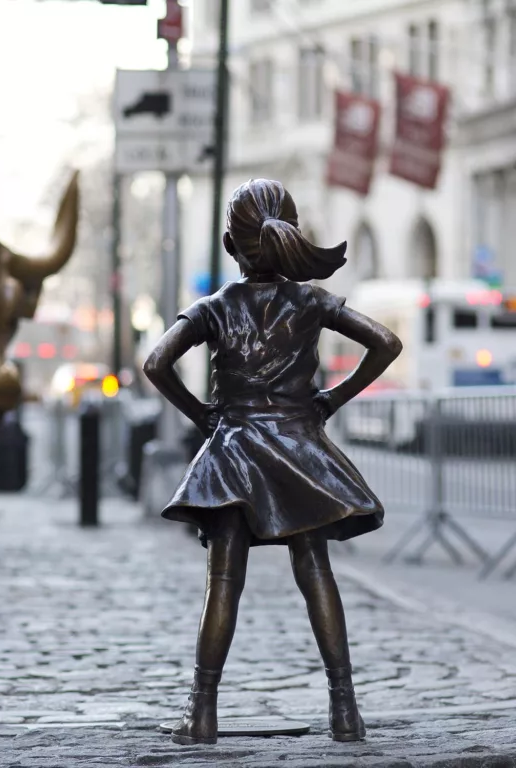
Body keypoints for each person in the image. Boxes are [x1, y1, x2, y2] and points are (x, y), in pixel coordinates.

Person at [142, 179, 402, 745]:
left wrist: (203, 415)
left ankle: (202, 713)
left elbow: (156, 363)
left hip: (233, 451)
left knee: (224, 582)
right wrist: (330, 399)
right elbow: (385, 342)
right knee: (315, 572)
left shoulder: (214, 308)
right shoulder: (310, 302)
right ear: (288, 236)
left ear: (230, 246)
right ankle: (345, 712)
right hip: (298, 449)